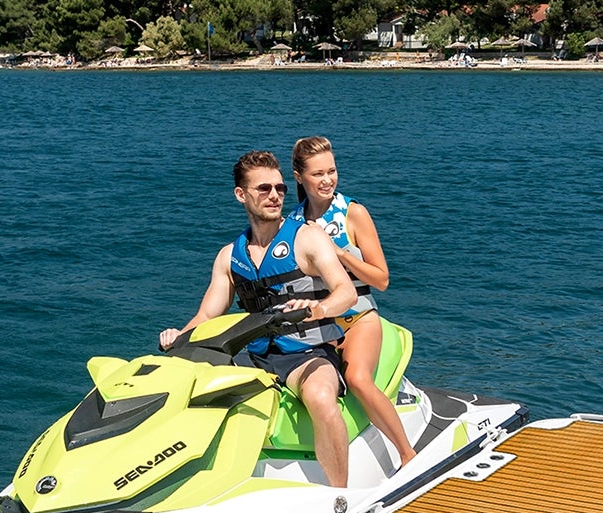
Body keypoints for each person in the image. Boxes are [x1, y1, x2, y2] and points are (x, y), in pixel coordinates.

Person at [161, 150, 358, 488]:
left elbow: (346, 292)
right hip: (254, 357)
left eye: (280, 189)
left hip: (305, 354)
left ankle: (340, 496)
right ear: (241, 195)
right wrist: (181, 336)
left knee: (322, 399)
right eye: (263, 189)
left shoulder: (307, 239)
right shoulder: (229, 256)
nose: (274, 196)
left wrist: (320, 308)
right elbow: (209, 314)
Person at [288, 136, 418, 469]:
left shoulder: (353, 213)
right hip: (318, 323)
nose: (327, 180)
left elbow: (382, 279)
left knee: (358, 378)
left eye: (331, 171)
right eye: (317, 174)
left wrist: (341, 254)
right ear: (299, 176)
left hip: (359, 318)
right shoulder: (292, 224)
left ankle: (407, 454)